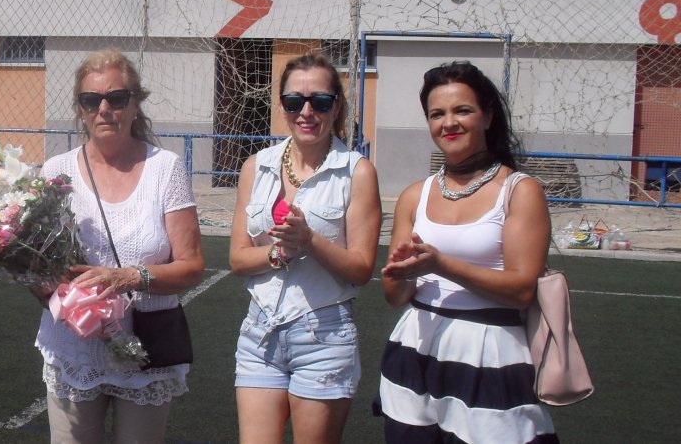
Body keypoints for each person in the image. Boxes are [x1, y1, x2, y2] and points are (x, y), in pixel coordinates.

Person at [376, 61, 558, 443]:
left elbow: (522, 291)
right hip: (415, 346)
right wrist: (402, 274)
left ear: (488, 116)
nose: (449, 123)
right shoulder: (414, 195)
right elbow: (394, 298)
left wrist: (441, 264)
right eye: (436, 114)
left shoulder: (520, 191)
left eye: (462, 110)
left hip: (489, 354)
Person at [35, 48, 205, 444]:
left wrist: (129, 277)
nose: (104, 109)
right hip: (75, 348)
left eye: (117, 98)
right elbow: (39, 266)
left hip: (145, 349)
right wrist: (50, 290)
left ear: (135, 103)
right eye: (91, 100)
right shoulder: (56, 171)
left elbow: (192, 266)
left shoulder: (165, 168)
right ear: (80, 108)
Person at [229, 51, 382, 444]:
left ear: (337, 106)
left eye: (321, 101)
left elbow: (361, 268)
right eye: (295, 101)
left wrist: (309, 240)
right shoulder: (256, 166)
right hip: (259, 334)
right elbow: (239, 258)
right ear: (282, 106)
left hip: (324, 336)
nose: (307, 112)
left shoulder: (357, 172)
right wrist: (279, 253)